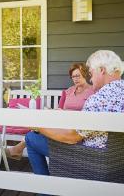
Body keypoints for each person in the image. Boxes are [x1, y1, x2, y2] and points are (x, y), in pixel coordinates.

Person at [25, 50, 124, 181]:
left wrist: (37, 127)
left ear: (102, 70)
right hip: (116, 159)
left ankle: (46, 191)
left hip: (87, 157)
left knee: (31, 137)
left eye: (91, 73)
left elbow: (72, 137)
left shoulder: (99, 99)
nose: (90, 78)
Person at [5, 63, 95, 160]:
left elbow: (90, 114)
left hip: (76, 130)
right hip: (62, 124)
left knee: (34, 133)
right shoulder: (68, 91)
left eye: (77, 75)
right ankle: (19, 148)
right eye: (73, 77)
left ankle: (18, 148)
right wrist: (54, 111)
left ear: (85, 74)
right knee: (37, 126)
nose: (75, 79)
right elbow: (59, 110)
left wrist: (66, 112)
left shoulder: (93, 92)